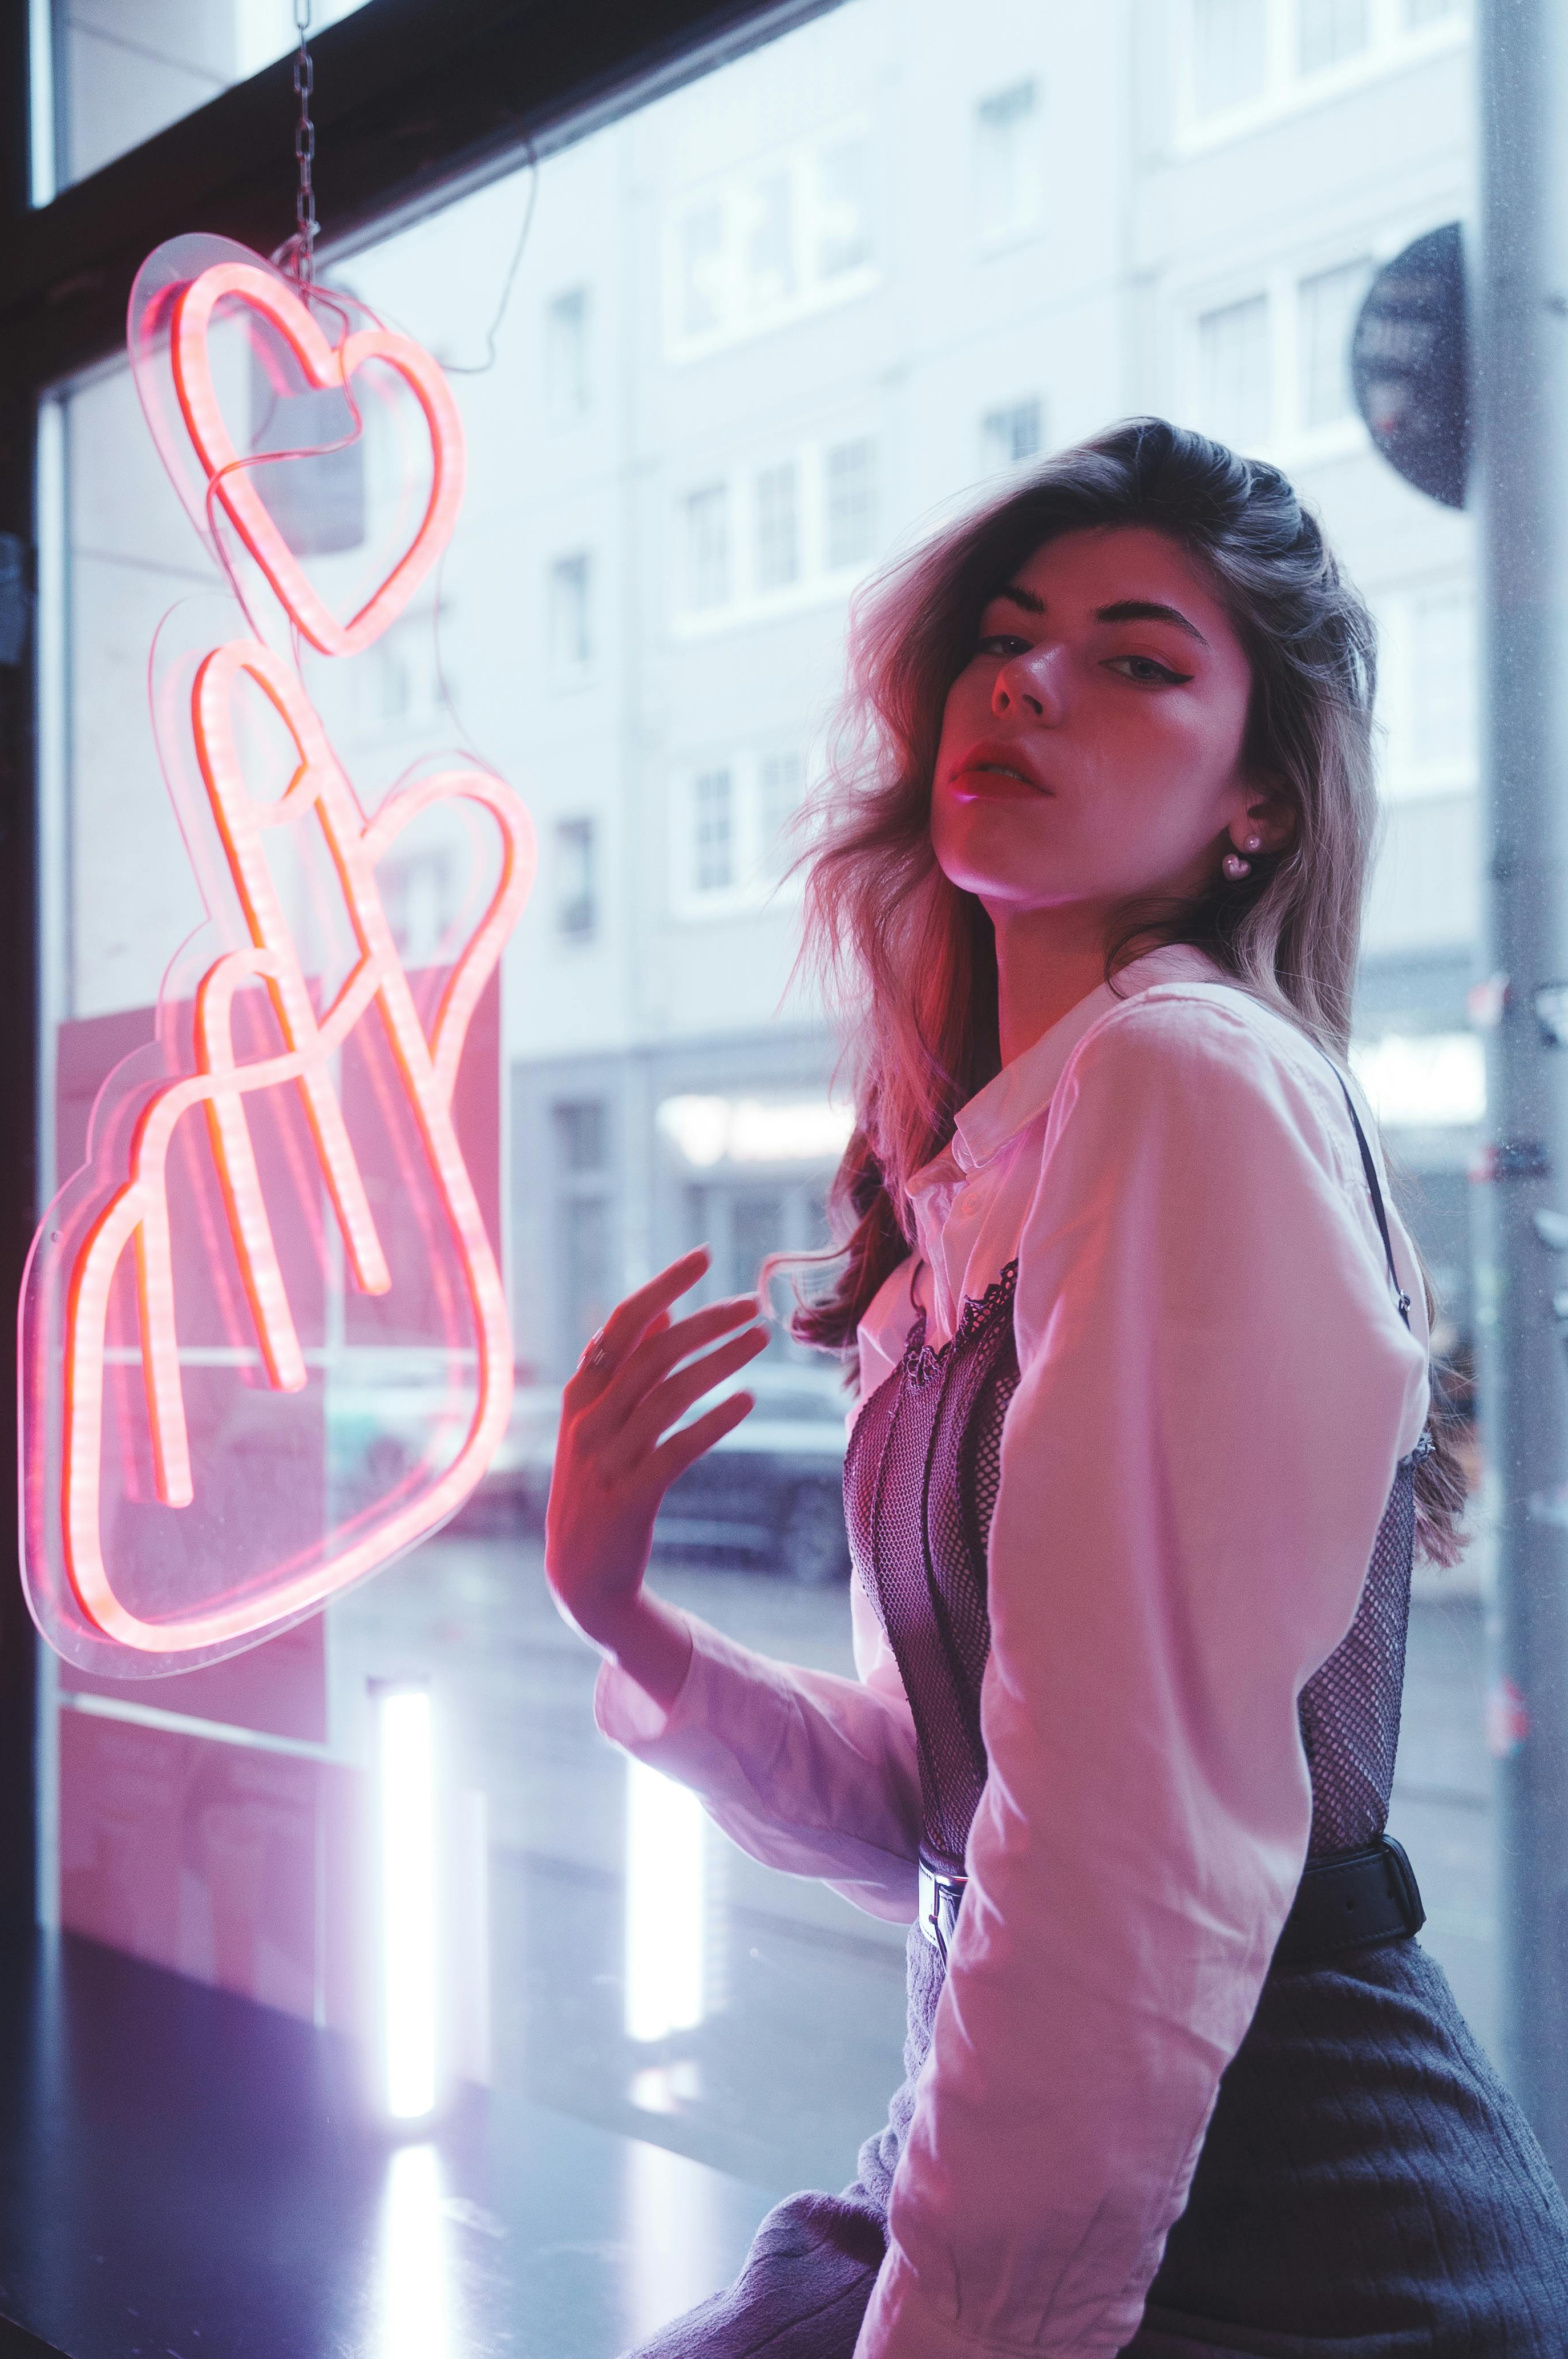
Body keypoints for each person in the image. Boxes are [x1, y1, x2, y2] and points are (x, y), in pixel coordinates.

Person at [543, 420, 1568, 2358]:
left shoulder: (1188, 1079)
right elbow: (947, 1817)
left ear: (1252, 806)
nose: (1026, 680)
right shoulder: (992, 1166)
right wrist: (626, 1621)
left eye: (1135, 660)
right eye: (1007, 641)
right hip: (1029, 2167)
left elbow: (1114, 1856)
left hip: (1289, 2232)